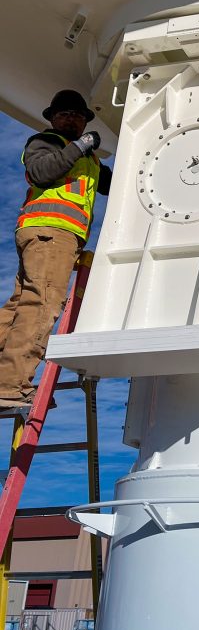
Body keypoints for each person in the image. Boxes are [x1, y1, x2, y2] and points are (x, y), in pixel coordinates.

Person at [0, 90, 111, 411]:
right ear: (52, 119)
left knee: (19, 305)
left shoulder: (87, 160)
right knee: (43, 304)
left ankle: (5, 377)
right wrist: (80, 146)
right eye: (64, 114)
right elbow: (41, 173)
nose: (72, 119)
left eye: (78, 115)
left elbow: (111, 183)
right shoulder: (46, 142)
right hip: (51, 232)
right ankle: (10, 386)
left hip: (51, 235)